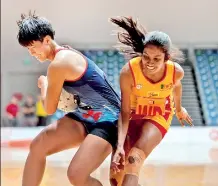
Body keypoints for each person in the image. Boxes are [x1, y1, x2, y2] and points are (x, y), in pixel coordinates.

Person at [17, 12, 120, 186]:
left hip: (110, 120)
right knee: (38, 146)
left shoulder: (59, 63)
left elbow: (49, 109)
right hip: (85, 116)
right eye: (28, 49)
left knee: (76, 175)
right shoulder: (64, 53)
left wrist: (44, 86)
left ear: (47, 40)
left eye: (33, 47)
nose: (32, 53)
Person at [109, 17, 193, 186]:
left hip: (158, 115)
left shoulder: (176, 72)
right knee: (116, 178)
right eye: (146, 57)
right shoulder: (128, 72)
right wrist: (119, 145)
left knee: (134, 158)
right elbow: (124, 111)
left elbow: (176, 87)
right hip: (132, 115)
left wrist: (178, 109)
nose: (150, 63)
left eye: (157, 59)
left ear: (167, 58)